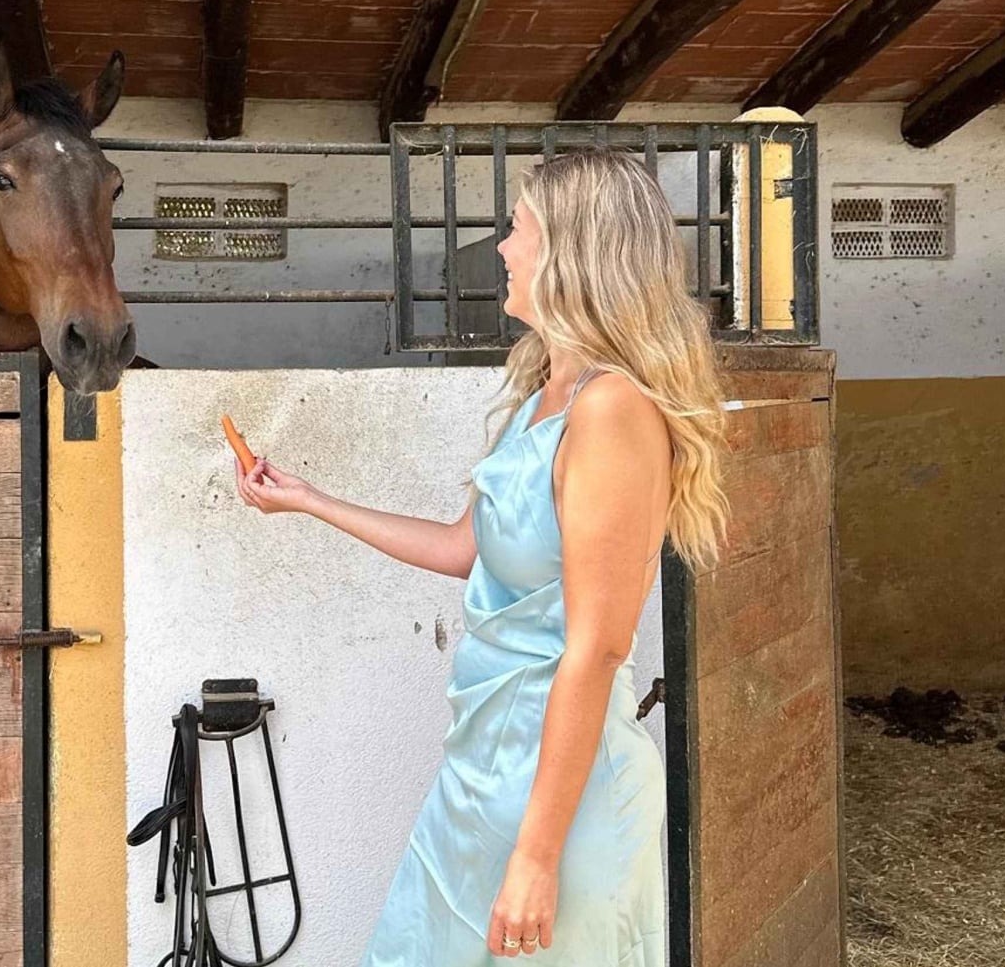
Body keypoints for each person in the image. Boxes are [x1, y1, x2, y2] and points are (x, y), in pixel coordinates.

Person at [233, 146, 731, 965]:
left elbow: (598, 647)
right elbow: (463, 546)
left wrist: (536, 855)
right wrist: (309, 500)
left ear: (572, 254)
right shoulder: (544, 397)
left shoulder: (611, 410)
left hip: (562, 801)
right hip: (484, 773)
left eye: (518, 229)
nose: (501, 247)